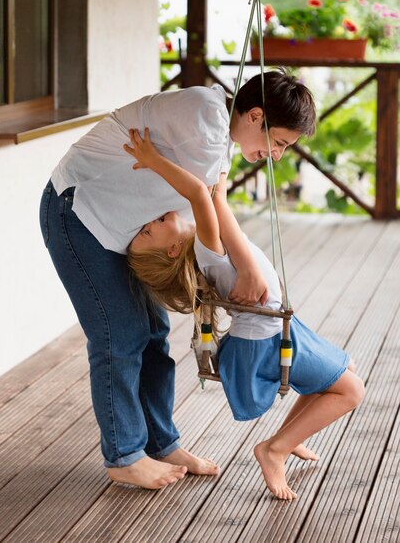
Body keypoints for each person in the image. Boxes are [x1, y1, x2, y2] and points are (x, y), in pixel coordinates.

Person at [39, 69, 316, 490]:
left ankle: (160, 443)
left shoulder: (218, 132)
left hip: (121, 230)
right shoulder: (207, 122)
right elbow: (208, 201)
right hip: (77, 213)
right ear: (256, 116)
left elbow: (212, 200)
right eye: (278, 142)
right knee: (120, 336)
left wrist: (248, 266)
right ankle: (124, 455)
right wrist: (250, 267)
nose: (276, 155)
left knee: (153, 332)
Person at [125, 127, 365, 501]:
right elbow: (198, 194)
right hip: (264, 341)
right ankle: (275, 450)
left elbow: (214, 196)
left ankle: (290, 437)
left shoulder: (209, 241)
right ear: (173, 250)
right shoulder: (206, 244)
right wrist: (154, 160)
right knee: (352, 391)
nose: (151, 221)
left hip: (276, 329)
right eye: (149, 230)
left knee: (342, 372)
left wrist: (224, 160)